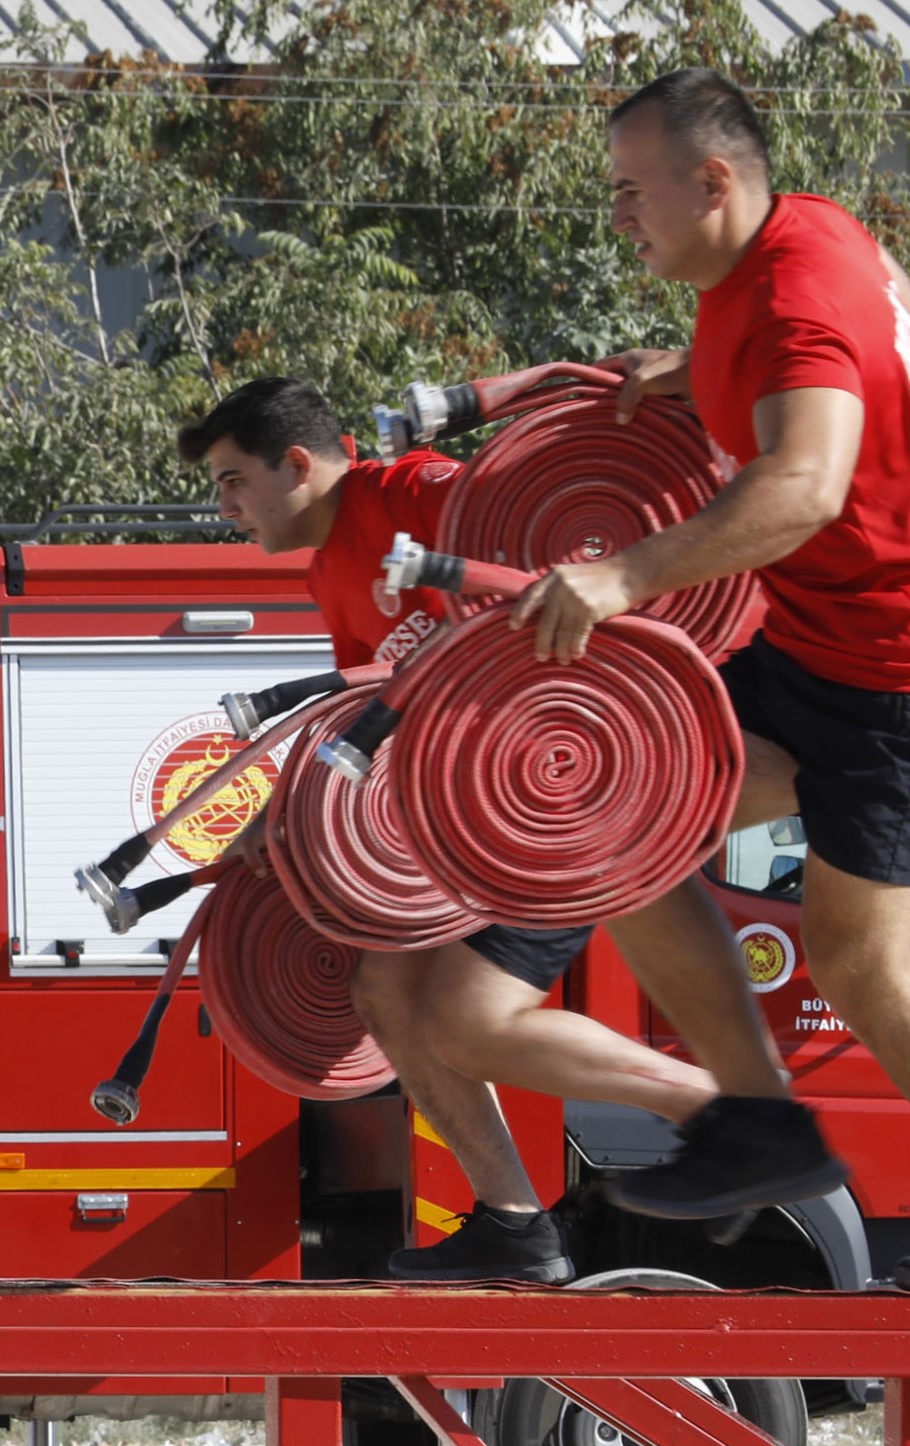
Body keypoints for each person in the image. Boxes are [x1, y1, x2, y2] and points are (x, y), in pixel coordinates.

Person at [513, 68, 910, 1295]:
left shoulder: (791, 302)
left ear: (712, 182)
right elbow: (838, 338)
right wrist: (699, 367)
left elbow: (804, 488)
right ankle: (758, 1127)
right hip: (819, 649)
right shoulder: (792, 249)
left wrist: (622, 575)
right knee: (625, 816)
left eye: (632, 190)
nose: (617, 213)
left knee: (860, 963)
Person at [180, 377, 721, 1283]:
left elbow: (566, 543)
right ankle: (515, 1226)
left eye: (234, 480)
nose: (226, 506)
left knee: (467, 1017)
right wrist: (273, 824)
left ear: (299, 466)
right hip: (477, 827)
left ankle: (731, 1114)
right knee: (385, 990)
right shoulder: (330, 569)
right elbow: (361, 719)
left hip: (556, 799)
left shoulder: (418, 496)